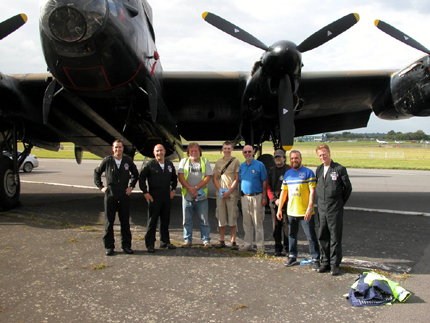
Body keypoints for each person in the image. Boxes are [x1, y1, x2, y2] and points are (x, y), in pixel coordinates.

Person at [276, 150, 320, 270]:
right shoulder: (288, 174)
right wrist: (279, 209)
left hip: (305, 211)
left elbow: (312, 192)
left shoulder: (308, 173)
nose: (294, 160)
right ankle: (292, 256)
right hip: (291, 211)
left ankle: (316, 258)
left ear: (300, 159)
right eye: (292, 159)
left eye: (296, 158)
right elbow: (283, 192)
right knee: (291, 235)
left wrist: (310, 208)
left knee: (311, 236)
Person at [94, 140, 139, 256]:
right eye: (116, 147)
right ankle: (109, 247)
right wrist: (101, 187)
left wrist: (131, 187)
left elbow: (135, 174)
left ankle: (126, 246)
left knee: (125, 221)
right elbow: (97, 173)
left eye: (120, 147)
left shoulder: (127, 161)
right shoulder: (107, 161)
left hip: (124, 194)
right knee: (109, 221)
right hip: (110, 194)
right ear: (112, 149)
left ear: (123, 149)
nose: (118, 149)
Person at [315, 144, 352, 276]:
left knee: (335, 236)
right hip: (321, 208)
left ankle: (335, 264)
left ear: (329, 153)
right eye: (320, 155)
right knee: (322, 235)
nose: (322, 157)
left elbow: (348, 188)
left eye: (324, 154)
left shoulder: (339, 169)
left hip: (334, 207)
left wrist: (340, 203)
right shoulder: (319, 169)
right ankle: (325, 262)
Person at [139, 144, 178, 253]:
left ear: (165, 152)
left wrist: (173, 190)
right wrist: (145, 192)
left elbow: (174, 179)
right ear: (153, 152)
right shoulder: (150, 164)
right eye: (157, 151)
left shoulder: (169, 165)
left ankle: (165, 241)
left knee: (165, 220)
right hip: (154, 196)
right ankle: (150, 243)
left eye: (161, 150)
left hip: (166, 196)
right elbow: (141, 178)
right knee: (153, 220)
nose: (159, 153)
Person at [178, 142, 213, 248]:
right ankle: (187, 240)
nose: (194, 152)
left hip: (201, 196)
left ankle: (206, 240)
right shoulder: (183, 162)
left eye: (196, 150)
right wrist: (190, 188)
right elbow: (181, 176)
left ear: (199, 152)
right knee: (187, 220)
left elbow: (208, 177)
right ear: (188, 152)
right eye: (192, 150)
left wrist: (196, 188)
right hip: (187, 196)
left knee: (204, 220)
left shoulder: (205, 161)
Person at [238, 145, 268, 254]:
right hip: (245, 197)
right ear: (243, 153)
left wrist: (264, 197)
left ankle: (260, 246)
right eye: (245, 152)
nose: (247, 154)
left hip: (257, 196)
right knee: (246, 222)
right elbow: (240, 182)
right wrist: (240, 196)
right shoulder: (242, 166)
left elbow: (264, 181)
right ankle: (248, 244)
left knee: (257, 222)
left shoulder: (260, 165)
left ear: (253, 152)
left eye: (249, 151)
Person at [213, 141, 241, 250]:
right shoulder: (218, 162)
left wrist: (229, 191)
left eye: (229, 148)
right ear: (222, 149)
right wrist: (220, 190)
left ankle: (233, 241)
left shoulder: (236, 161)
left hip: (231, 194)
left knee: (232, 216)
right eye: (225, 148)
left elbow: (237, 178)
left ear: (232, 149)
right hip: (220, 193)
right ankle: (221, 240)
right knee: (221, 216)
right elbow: (214, 177)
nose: (227, 151)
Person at [267, 149, 291, 256]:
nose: (278, 159)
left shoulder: (289, 170)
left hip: (287, 203)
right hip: (275, 202)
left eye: (280, 157)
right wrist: (274, 200)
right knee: (276, 227)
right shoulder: (271, 171)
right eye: (276, 157)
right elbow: (268, 187)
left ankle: (288, 248)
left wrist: (284, 200)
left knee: (286, 226)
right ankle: (277, 248)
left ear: (284, 158)